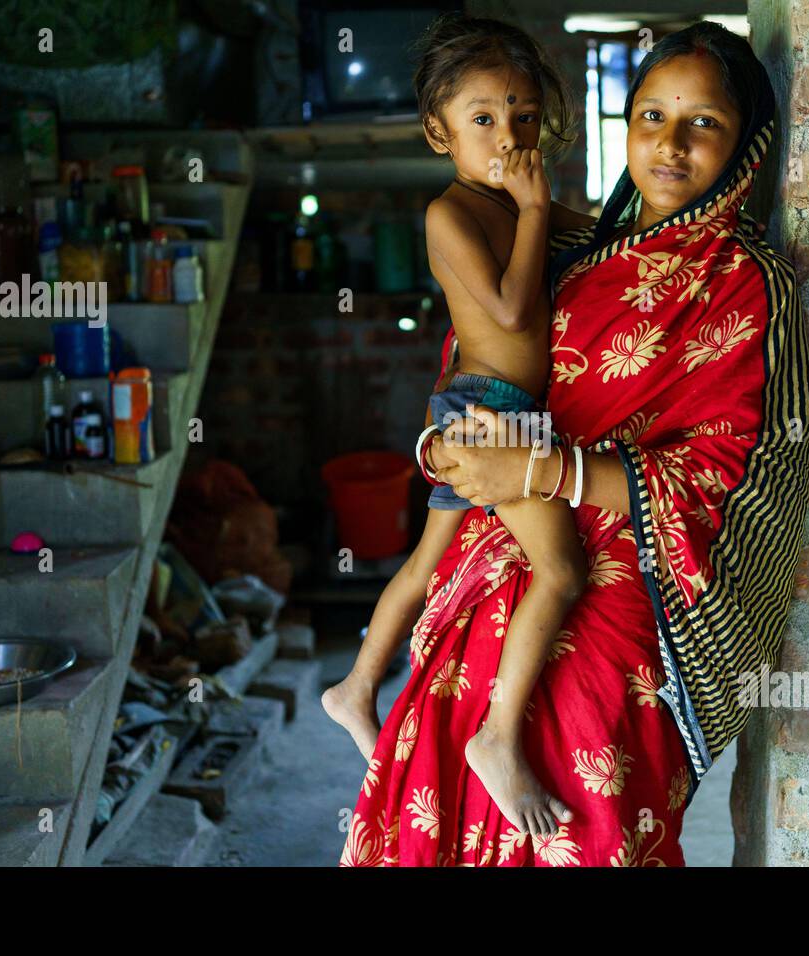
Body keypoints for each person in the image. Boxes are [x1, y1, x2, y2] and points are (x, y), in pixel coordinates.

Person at [340, 19, 809, 867]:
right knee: (442, 770)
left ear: (748, 147)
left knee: (581, 795)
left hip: (637, 575)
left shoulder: (745, 283)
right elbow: (475, 364)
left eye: (703, 122)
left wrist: (537, 467)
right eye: (651, 116)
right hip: (500, 535)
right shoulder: (572, 248)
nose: (670, 144)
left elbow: (721, 478)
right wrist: (443, 453)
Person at [323, 13, 597, 837]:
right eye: (483, 120)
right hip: (491, 417)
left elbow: (591, 248)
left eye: (522, 118)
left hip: (481, 410)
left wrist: (559, 216)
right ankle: (497, 739)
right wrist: (538, 208)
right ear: (439, 131)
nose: (506, 138)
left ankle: (356, 688)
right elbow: (513, 307)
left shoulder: (511, 204)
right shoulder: (453, 213)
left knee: (425, 564)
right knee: (562, 573)